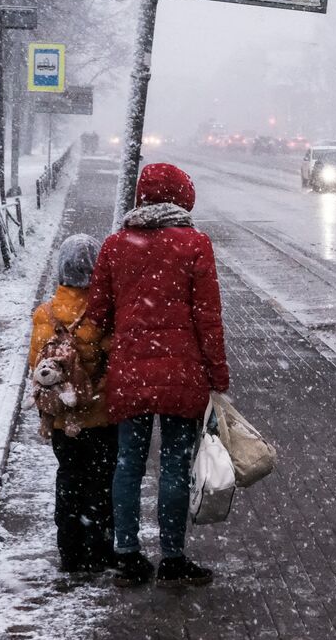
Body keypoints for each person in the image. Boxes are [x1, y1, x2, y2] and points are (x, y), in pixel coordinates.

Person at [86, 163, 229, 588]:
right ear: (183, 197)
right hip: (182, 372)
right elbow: (209, 318)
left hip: (129, 370)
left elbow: (97, 313)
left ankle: (127, 554)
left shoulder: (115, 246)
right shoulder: (195, 245)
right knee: (174, 464)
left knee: (127, 462)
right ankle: (172, 556)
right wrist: (217, 374)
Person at [28, 234, 116, 574]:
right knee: (101, 484)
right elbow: (113, 363)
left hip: (64, 422)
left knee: (68, 480)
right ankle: (98, 551)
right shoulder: (101, 315)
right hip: (100, 420)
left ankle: (70, 550)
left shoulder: (45, 314)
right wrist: (97, 394)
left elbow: (36, 363)